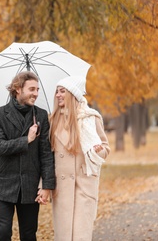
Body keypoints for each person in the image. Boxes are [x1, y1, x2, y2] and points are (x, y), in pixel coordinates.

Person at [0, 71, 56, 241]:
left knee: (29, 235)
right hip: (3, 186)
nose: (36, 93)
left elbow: (46, 153)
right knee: (2, 234)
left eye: (37, 89)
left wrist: (47, 186)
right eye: (31, 89)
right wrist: (27, 139)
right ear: (18, 89)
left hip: (30, 186)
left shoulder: (40, 115)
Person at [45, 76, 110, 241]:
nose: (58, 95)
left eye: (62, 91)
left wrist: (99, 151)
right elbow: (46, 157)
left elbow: (105, 147)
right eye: (57, 92)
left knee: (81, 235)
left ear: (73, 94)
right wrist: (43, 185)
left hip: (84, 183)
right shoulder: (52, 121)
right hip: (62, 187)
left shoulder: (91, 118)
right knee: (64, 236)